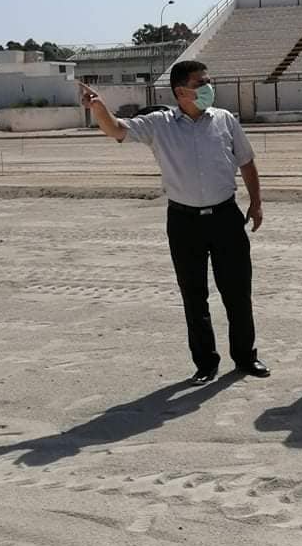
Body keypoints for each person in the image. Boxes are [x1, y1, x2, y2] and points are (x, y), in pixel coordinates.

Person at [78, 59, 270, 383]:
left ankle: (245, 357)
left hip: (226, 217)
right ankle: (206, 364)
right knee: (194, 296)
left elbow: (247, 162)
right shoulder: (159, 124)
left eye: (208, 81)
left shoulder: (225, 119)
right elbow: (116, 129)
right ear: (181, 91)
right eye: (201, 83)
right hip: (184, 222)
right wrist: (98, 108)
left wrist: (257, 202)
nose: (209, 88)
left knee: (238, 292)